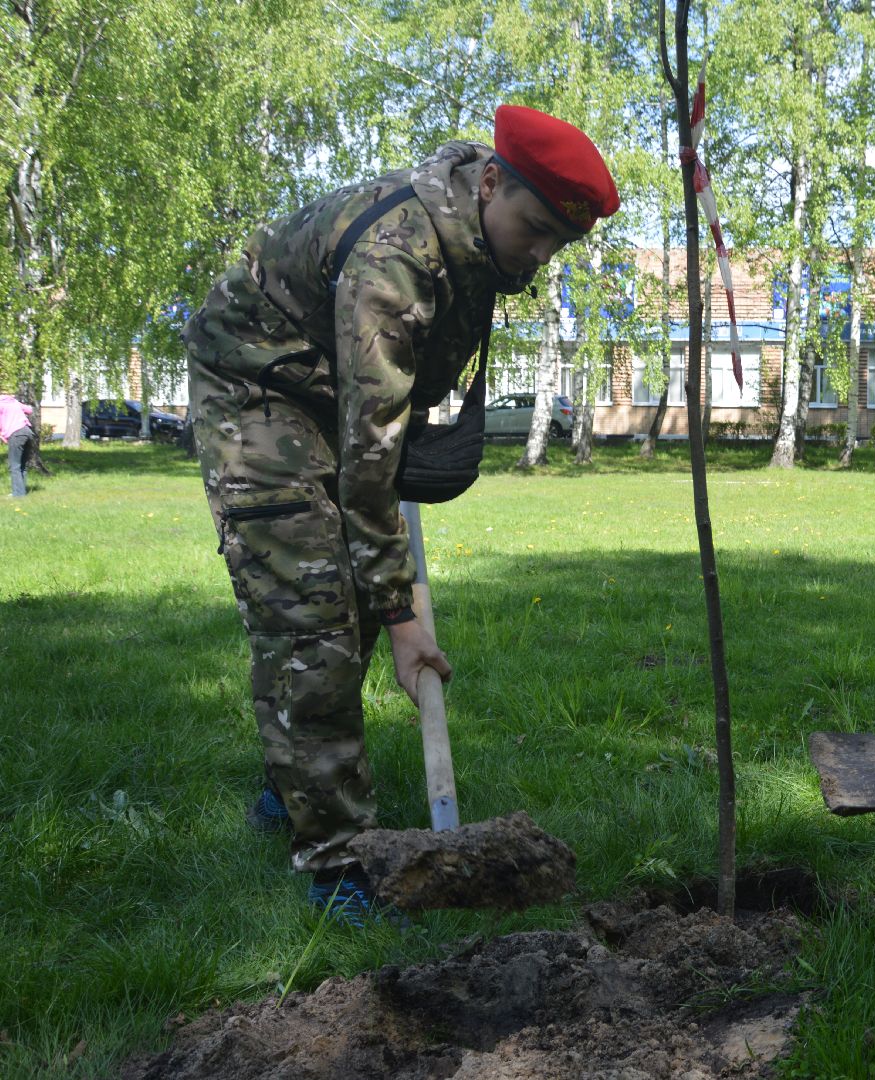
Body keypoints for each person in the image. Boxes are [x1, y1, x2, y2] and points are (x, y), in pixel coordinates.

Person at [186, 105, 618, 920]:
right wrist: (403, 617)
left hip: (334, 389)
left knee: (343, 598)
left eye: (557, 244)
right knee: (310, 608)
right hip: (255, 385)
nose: (540, 254)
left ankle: (295, 775)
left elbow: (391, 408)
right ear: (490, 184)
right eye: (534, 229)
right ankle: (338, 864)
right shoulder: (395, 257)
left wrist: (381, 593)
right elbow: (368, 461)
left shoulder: (478, 242)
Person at [1, 392, 35, 497]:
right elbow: (29, 410)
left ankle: (18, 494)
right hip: (28, 432)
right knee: (22, 465)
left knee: (14, 465)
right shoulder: (14, 402)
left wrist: (2, 435)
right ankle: (21, 491)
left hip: (16, 434)